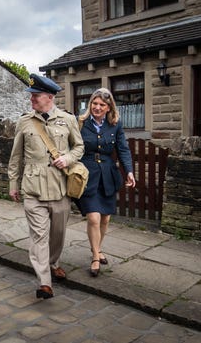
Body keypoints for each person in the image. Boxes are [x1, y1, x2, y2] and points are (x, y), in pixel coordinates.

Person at [8, 73, 84, 299]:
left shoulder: (68, 120)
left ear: (50, 96)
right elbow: (16, 156)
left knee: (57, 234)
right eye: (31, 95)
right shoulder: (24, 121)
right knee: (38, 236)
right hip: (33, 188)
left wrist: (68, 159)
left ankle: (53, 263)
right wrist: (13, 183)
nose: (31, 99)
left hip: (60, 187)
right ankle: (44, 282)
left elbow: (79, 148)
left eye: (36, 95)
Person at [76, 87, 136, 277]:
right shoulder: (80, 123)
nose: (97, 107)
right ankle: (95, 256)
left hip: (108, 174)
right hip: (87, 175)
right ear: (90, 104)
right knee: (93, 217)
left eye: (102, 104)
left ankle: (98, 248)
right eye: (94, 103)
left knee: (105, 218)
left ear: (109, 107)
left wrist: (129, 171)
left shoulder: (115, 124)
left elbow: (123, 149)